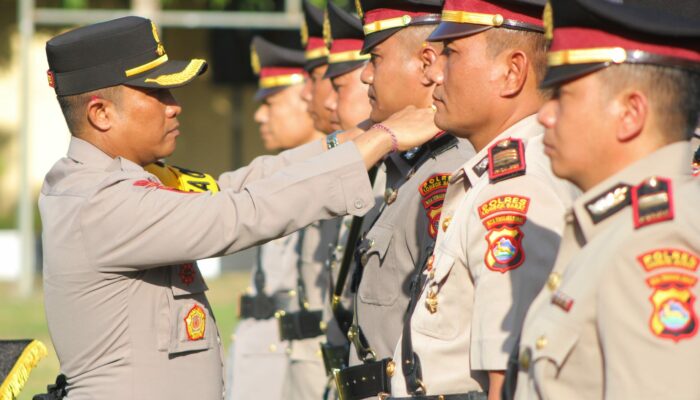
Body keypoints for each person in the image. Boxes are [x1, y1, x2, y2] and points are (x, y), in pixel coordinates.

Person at [40, 16, 439, 399]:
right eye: (156, 93)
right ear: (101, 113)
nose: (174, 105)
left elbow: (244, 184)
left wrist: (356, 137)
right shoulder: (99, 202)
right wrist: (382, 139)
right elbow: (239, 213)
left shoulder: (120, 181)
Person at [386, 0, 580, 398]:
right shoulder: (492, 177)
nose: (435, 72)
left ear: (511, 72)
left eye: (452, 53)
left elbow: (506, 378)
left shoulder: (516, 188)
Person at [509, 0, 700, 398]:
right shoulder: (619, 227)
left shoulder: (654, 243)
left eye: (563, 95)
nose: (545, 115)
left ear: (630, 114)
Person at [331, 1, 475, 398]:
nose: (365, 75)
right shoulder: (405, 167)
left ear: (426, 62)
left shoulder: (445, 175)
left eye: (375, 59)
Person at [226, 36, 318, 400]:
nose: (259, 114)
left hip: (290, 358)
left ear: (304, 94)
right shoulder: (282, 176)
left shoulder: (325, 185)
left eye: (271, 101)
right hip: (262, 351)